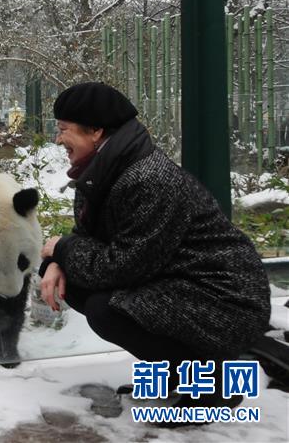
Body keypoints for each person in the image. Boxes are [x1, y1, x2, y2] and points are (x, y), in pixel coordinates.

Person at [39, 82, 270, 410]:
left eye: (63, 130)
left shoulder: (149, 179)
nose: (58, 139)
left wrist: (62, 250)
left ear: (96, 131)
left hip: (226, 302)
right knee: (73, 283)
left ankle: (214, 386)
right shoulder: (102, 170)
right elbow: (88, 238)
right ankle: (178, 374)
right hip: (180, 285)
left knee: (107, 309)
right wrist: (57, 261)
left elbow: (122, 267)